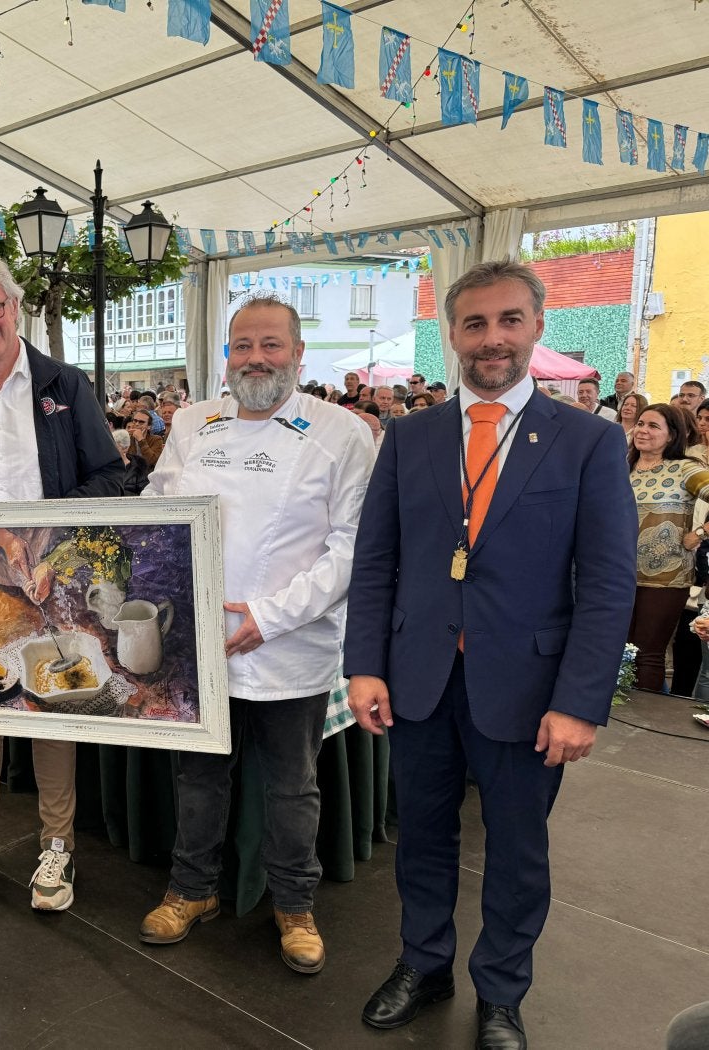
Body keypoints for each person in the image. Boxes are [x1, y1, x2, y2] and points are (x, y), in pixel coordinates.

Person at [344, 260, 637, 1050]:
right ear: (453, 336)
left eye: (509, 320)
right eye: (475, 324)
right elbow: (376, 561)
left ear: (537, 328)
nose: (493, 339)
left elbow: (609, 585)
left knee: (516, 851)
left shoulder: (587, 443)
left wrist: (581, 701)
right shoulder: (408, 437)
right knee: (423, 837)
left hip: (530, 688)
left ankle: (502, 991)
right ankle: (423, 962)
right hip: (419, 680)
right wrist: (363, 664)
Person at [137, 296, 373, 974]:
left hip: (288, 645)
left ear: (299, 353)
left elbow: (350, 548)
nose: (256, 359)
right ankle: (192, 889)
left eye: (271, 345)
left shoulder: (343, 432)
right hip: (199, 642)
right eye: (243, 346)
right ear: (227, 356)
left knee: (292, 785)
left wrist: (268, 617)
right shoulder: (192, 422)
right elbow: (159, 510)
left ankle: (295, 905)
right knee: (201, 776)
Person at [0, 252, 123, 912]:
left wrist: (52, 538)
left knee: (52, 702)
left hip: (53, 568)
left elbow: (108, 476)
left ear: (14, 306)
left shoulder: (65, 386)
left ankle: (57, 845)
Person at [626, 403, 709, 692]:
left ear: (672, 434)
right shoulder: (623, 466)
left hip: (665, 581)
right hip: (617, 574)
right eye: (640, 424)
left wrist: (700, 532)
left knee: (647, 654)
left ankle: (644, 729)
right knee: (618, 651)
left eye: (653, 426)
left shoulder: (686, 469)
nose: (642, 431)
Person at [112, 429, 151, 495]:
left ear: (125, 448)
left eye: (114, 447)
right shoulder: (104, 466)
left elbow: (143, 493)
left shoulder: (139, 467)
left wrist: (120, 493)